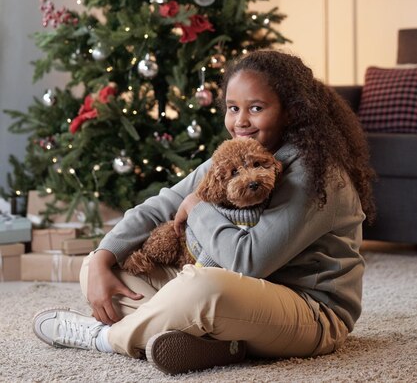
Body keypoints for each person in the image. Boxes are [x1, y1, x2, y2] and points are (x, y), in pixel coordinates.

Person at [32, 49, 376, 376]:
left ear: (291, 111)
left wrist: (198, 208)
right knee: (103, 269)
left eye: (256, 108)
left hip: (311, 314)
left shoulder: (318, 174)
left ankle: (104, 338)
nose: (241, 121)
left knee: (204, 287)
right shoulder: (239, 153)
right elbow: (162, 205)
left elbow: (248, 262)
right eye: (232, 108)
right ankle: (222, 344)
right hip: (247, 300)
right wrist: (103, 257)